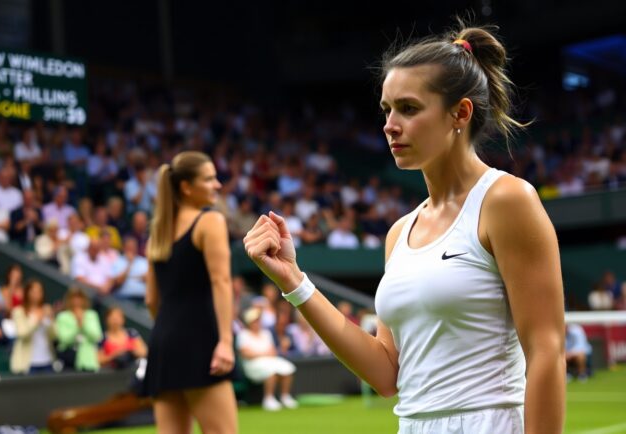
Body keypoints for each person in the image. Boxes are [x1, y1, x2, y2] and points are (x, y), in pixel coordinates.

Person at [243, 24, 565, 434]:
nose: (390, 125)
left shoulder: (506, 200)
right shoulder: (399, 231)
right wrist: (294, 281)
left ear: (460, 114)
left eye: (409, 109)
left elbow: (546, 351)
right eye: (387, 109)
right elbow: (385, 373)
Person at [143, 151, 237, 433]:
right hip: (201, 342)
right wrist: (225, 341)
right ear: (186, 186)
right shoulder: (210, 221)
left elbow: (151, 300)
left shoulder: (158, 231)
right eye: (209, 179)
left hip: (163, 344)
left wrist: (171, 332)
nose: (218, 185)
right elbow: (222, 282)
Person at [236, 307, 298, 411]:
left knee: (288, 368)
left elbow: (273, 351)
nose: (257, 323)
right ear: (249, 322)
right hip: (251, 365)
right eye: (255, 321)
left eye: (258, 321)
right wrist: (263, 354)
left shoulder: (266, 333)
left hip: (268, 361)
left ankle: (285, 397)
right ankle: (268, 399)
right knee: (271, 371)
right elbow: (246, 354)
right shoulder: (242, 335)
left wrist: (260, 354)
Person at [10, 280, 56, 374]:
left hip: (47, 361)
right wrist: (36, 320)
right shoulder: (19, 311)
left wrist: (50, 320)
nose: (37, 294)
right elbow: (22, 334)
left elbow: (55, 335)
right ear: (27, 292)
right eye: (33, 291)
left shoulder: (46, 309)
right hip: (28, 363)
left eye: (39, 291)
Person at [54, 288, 102, 372]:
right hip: (68, 360)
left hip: (88, 361)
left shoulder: (91, 315)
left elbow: (96, 336)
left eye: (79, 298)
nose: (76, 301)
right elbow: (64, 339)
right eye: (73, 298)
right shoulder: (62, 316)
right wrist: (77, 326)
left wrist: (83, 324)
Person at [98, 306, 147, 370]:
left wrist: (129, 350)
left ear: (123, 319)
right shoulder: (102, 338)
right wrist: (115, 354)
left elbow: (144, 352)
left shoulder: (132, 333)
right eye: (112, 318)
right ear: (106, 319)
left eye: (118, 317)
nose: (115, 320)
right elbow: (99, 360)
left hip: (132, 371)